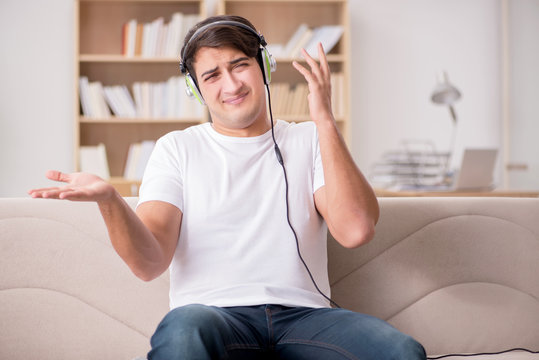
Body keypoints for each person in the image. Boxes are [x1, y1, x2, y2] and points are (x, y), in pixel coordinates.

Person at [29, 15, 426, 360]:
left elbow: (356, 230)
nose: (231, 84)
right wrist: (110, 201)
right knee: (184, 329)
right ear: (195, 89)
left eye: (240, 65)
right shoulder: (177, 148)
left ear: (264, 65)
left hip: (305, 319)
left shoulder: (309, 139)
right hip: (214, 316)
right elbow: (150, 263)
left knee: (400, 351)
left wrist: (324, 121)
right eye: (212, 75)